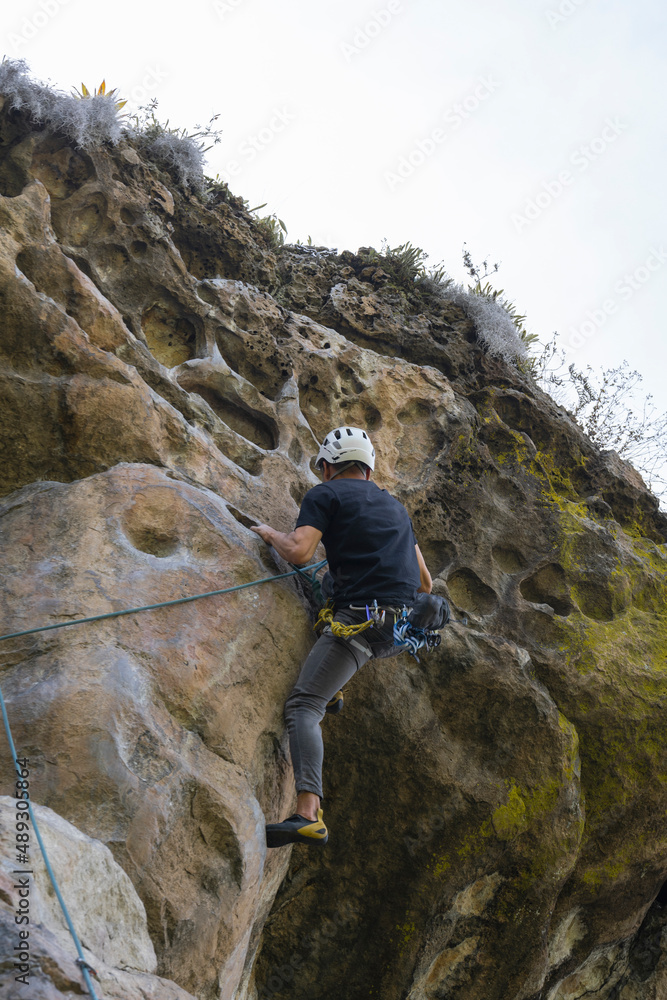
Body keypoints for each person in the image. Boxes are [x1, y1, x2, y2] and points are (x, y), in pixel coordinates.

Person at [251, 425, 433, 848]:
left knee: (303, 704)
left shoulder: (325, 495)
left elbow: (298, 551)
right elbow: (424, 582)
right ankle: (333, 688)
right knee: (329, 591)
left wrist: (268, 534)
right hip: (402, 630)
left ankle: (307, 814)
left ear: (328, 467)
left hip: (363, 620)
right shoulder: (396, 506)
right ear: (368, 470)